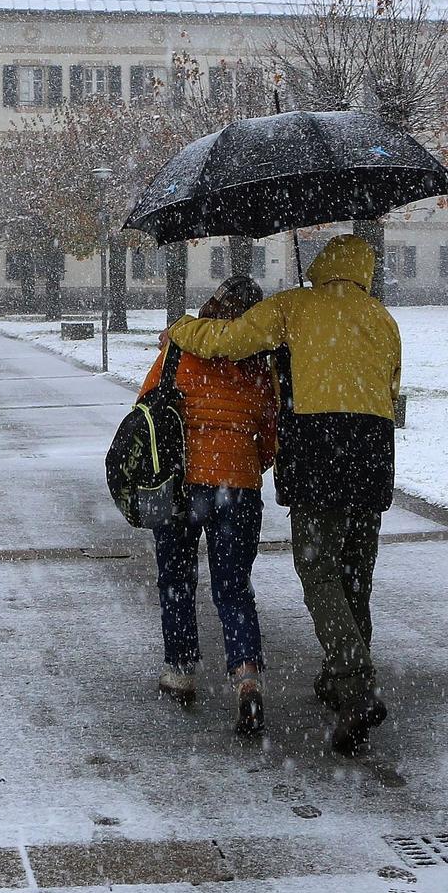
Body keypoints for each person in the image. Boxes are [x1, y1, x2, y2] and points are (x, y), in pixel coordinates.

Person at [167, 235, 400, 755]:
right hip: (374, 451)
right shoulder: (383, 318)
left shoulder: (293, 305)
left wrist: (184, 328)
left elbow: (230, 342)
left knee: (318, 568)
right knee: (356, 566)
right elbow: (392, 389)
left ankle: (355, 681)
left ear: (323, 265)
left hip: (319, 448)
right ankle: (338, 677)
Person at [141, 275, 277, 735]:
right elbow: (271, 435)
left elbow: (147, 407)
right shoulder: (260, 362)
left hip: (180, 482)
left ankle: (180, 671)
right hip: (237, 486)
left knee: (176, 579)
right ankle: (246, 677)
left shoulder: (178, 347)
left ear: (214, 303)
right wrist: (245, 461)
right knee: (233, 587)